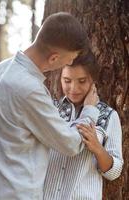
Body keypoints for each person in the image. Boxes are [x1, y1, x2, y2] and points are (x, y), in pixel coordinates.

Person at [0, 12, 100, 200]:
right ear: (53, 58)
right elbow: (70, 143)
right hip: (19, 194)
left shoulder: (0, 71)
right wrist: (90, 111)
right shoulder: (28, 89)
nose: (69, 63)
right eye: (69, 59)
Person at [43, 50, 124, 200]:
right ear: (60, 78)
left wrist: (97, 149)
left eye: (82, 81)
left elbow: (115, 172)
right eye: (67, 81)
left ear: (93, 79)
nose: (74, 89)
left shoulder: (108, 116)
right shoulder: (50, 109)